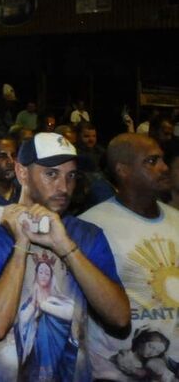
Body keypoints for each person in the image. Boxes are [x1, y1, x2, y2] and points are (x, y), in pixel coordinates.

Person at [0, 132, 130, 381]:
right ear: (22, 173)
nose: (63, 187)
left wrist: (66, 248)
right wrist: (21, 243)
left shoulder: (86, 235)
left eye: (71, 176)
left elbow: (119, 318)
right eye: (51, 174)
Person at [80, 133, 179, 380]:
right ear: (123, 170)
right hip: (115, 373)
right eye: (151, 161)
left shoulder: (177, 221)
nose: (164, 167)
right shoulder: (91, 226)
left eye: (163, 160)